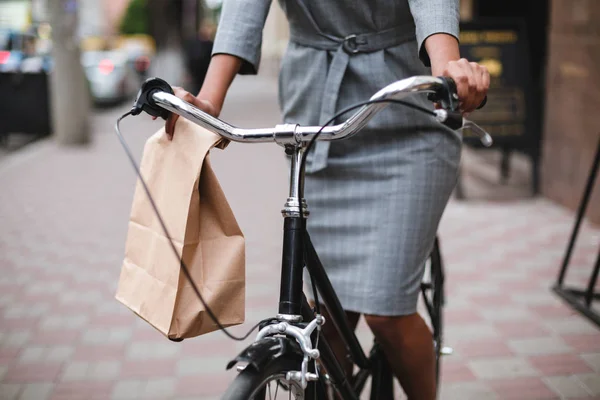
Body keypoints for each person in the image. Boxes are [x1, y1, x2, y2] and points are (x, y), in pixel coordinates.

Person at [165, 1, 489, 399]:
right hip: (317, 112)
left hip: (408, 109)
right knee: (325, 324)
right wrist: (210, 101)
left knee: (386, 313)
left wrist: (447, 67)